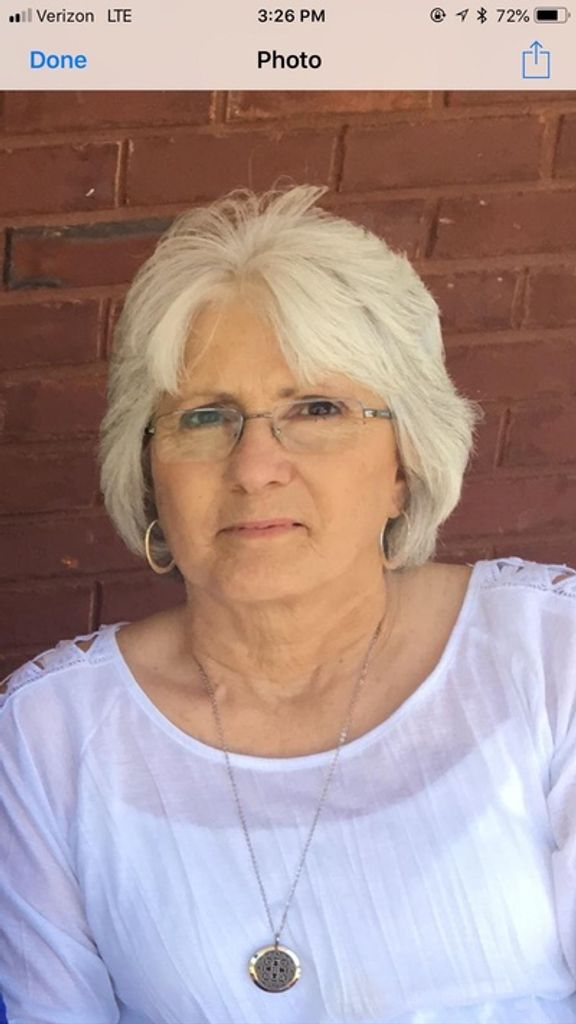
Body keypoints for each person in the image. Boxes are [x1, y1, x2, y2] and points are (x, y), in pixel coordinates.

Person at [1, 184, 575, 1024]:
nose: (254, 466)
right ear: (149, 474)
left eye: (317, 408)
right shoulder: (51, 736)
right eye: (205, 416)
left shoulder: (547, 657)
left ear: (404, 464)